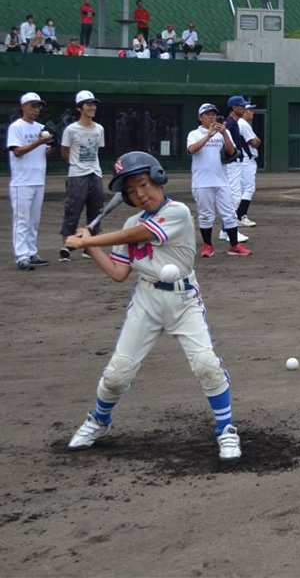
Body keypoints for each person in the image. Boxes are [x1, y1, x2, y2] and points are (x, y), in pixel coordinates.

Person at [62, 151, 242, 460]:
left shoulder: (178, 212)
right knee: (118, 373)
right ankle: (99, 420)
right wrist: (90, 246)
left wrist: (88, 241)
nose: (139, 194)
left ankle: (226, 429)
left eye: (143, 184)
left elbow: (141, 234)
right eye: (131, 191)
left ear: (158, 178)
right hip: (146, 300)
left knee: (206, 365)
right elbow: (119, 274)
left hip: (184, 301)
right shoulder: (130, 222)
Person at [186, 103, 251, 257]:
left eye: (213, 114)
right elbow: (192, 149)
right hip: (201, 182)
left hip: (221, 180)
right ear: (200, 117)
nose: (211, 117)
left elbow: (231, 152)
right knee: (206, 215)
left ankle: (234, 245)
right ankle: (208, 245)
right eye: (208, 114)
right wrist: (209, 134)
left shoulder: (224, 132)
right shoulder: (194, 134)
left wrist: (224, 134)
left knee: (229, 213)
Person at [7, 92, 55, 270]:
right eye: (32, 106)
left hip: (38, 178)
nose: (36, 109)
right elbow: (17, 151)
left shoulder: (41, 127)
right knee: (22, 219)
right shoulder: (16, 127)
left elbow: (46, 153)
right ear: (23, 107)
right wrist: (39, 142)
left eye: (38, 106)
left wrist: (52, 143)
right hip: (22, 181)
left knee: (34, 220)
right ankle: (21, 255)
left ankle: (32, 253)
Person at [59, 90, 106, 262]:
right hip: (77, 174)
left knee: (96, 210)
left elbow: (97, 151)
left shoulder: (99, 129)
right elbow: (65, 151)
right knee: (73, 209)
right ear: (79, 108)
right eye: (88, 104)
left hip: (95, 172)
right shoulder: (71, 129)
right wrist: (75, 164)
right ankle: (66, 246)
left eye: (94, 104)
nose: (92, 107)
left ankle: (89, 246)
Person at [220, 96, 252, 243]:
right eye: (241, 106)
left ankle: (224, 230)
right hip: (232, 163)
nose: (244, 108)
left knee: (233, 195)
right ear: (234, 108)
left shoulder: (234, 122)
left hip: (234, 162)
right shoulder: (230, 123)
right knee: (234, 196)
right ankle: (230, 231)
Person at [237, 106, 261, 227]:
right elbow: (254, 142)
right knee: (248, 188)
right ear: (244, 112)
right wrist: (258, 140)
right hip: (246, 160)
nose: (252, 112)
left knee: (241, 189)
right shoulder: (243, 124)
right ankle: (241, 215)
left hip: (242, 160)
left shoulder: (241, 123)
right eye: (249, 110)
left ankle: (237, 216)